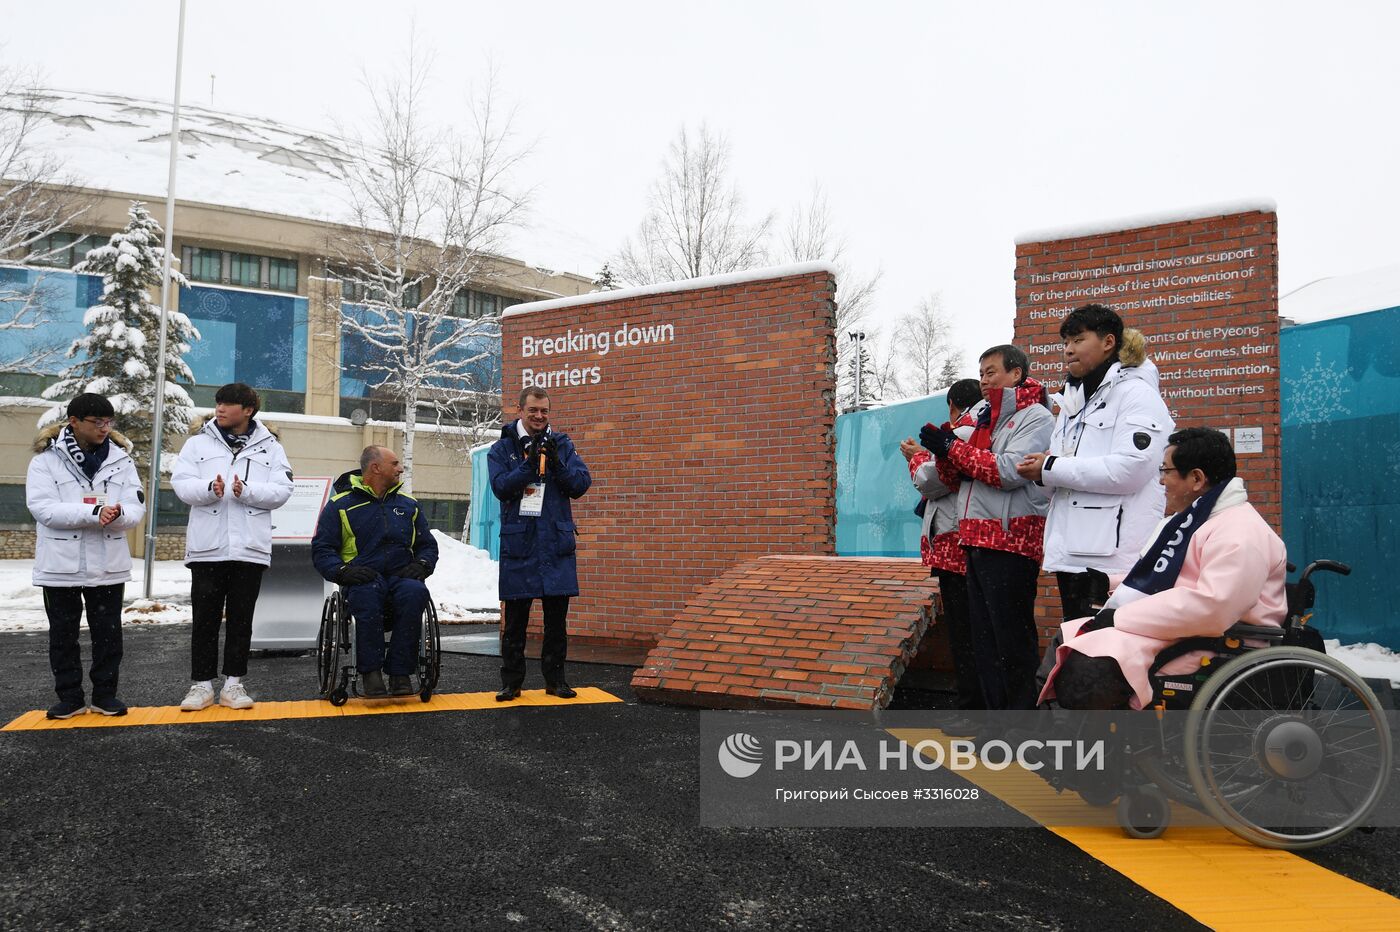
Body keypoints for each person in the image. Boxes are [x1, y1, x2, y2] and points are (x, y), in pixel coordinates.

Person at [1040, 428, 1287, 711]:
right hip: (1183, 631)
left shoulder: (1239, 532)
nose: (1160, 480)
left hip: (1215, 644)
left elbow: (1213, 607)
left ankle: (1081, 731)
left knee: (1087, 669)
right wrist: (1107, 583)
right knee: (1068, 636)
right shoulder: (1195, 520)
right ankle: (1048, 725)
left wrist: (1120, 616)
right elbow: (1168, 580)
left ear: (1196, 479)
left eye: (1166, 471)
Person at [1015, 304, 1174, 625]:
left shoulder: (1136, 394)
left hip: (1113, 561)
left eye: (1078, 340)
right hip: (1072, 553)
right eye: (1065, 342)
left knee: (1109, 647)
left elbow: (1131, 469)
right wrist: (1040, 475)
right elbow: (1059, 480)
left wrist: (1050, 468)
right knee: (1078, 646)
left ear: (1108, 342)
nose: (1068, 350)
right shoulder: (1073, 401)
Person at [920, 345, 1053, 712]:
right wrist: (943, 453)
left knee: (1011, 641)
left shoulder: (1036, 416)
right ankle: (992, 720)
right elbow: (956, 477)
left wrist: (952, 448)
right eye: (980, 373)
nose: (983, 381)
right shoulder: (983, 416)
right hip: (974, 538)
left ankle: (1020, 722)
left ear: (1016, 374)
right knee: (984, 643)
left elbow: (1008, 471)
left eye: (991, 372)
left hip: (1011, 539)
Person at [172, 383, 294, 711]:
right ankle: (201, 686)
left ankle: (233, 685)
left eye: (228, 404)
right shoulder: (197, 443)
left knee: (242, 619)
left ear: (248, 410)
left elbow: (283, 490)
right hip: (207, 548)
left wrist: (247, 491)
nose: (220, 409)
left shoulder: (271, 447)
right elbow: (180, 483)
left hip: (249, 548)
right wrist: (209, 488)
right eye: (218, 403)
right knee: (205, 620)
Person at [27, 393, 146, 719]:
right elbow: (43, 508)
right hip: (60, 564)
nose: (105, 428)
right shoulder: (46, 461)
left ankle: (105, 696)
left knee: (108, 636)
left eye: (108, 422)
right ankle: (70, 698)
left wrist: (119, 514)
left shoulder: (122, 460)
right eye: (97, 422)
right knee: (62, 636)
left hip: (108, 563)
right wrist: (93, 513)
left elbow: (136, 507)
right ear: (74, 422)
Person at [487, 387, 592, 702]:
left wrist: (557, 463)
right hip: (521, 545)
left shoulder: (562, 444)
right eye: (533, 410)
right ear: (519, 409)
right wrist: (529, 465)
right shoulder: (501, 449)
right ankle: (511, 683)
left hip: (555, 545)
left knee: (556, 623)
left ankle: (555, 681)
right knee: (515, 623)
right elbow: (501, 488)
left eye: (544, 411)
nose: (539, 416)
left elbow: (580, 485)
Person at [311, 446, 438, 697]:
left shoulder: (408, 505)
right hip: (362, 578)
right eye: (395, 464)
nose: (400, 469)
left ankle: (401, 673)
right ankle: (371, 672)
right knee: (366, 595)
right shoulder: (340, 505)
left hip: (401, 576)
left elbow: (427, 545)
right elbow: (322, 549)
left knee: (415, 593)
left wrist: (422, 565)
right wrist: (342, 572)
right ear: (376, 468)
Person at [899, 378, 985, 726]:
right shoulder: (985, 426)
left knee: (966, 634)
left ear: (952, 405)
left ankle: (972, 711)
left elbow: (931, 481)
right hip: (972, 543)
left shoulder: (963, 431)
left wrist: (916, 457)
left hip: (956, 543)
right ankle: (980, 709)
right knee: (976, 632)